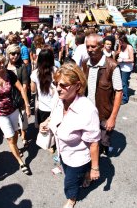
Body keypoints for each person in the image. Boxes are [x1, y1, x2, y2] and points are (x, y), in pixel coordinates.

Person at [40, 63, 100, 208]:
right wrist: (46, 122)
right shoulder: (59, 99)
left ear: (77, 86)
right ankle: (84, 175)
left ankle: (71, 199)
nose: (58, 88)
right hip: (63, 152)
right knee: (70, 174)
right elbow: (55, 115)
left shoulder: (87, 110)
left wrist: (95, 168)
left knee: (70, 182)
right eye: (56, 83)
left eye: (64, 85)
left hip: (77, 158)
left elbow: (94, 143)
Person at [0, 54, 31, 175]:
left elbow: (21, 89)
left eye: (3, 62)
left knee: (15, 134)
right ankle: (21, 162)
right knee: (10, 137)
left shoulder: (10, 74)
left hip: (14, 110)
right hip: (1, 114)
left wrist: (27, 105)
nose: (1, 65)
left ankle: (15, 147)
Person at [82, 34, 123, 155]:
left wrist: (112, 118)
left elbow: (119, 92)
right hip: (87, 114)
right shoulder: (85, 64)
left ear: (101, 47)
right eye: (87, 46)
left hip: (104, 114)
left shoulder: (112, 66)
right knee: (90, 145)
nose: (89, 49)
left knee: (103, 142)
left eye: (93, 47)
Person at [6, 44, 30, 148]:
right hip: (9, 98)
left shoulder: (22, 66)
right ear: (8, 54)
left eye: (17, 53)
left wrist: (26, 102)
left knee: (23, 119)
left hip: (20, 97)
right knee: (13, 122)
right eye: (12, 53)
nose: (15, 56)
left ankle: (24, 137)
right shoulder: (4, 67)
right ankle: (18, 134)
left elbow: (24, 84)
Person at [30, 46, 58, 126]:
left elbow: (33, 90)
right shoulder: (56, 70)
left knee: (44, 131)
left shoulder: (35, 73)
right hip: (55, 107)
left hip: (43, 107)